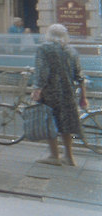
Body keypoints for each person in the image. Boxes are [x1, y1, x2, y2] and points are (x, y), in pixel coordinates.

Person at [31, 23, 87, 166]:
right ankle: (69, 156)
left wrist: (37, 90)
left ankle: (54, 155)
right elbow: (80, 75)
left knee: (50, 122)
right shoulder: (71, 51)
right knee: (66, 123)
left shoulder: (44, 49)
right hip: (68, 93)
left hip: (50, 93)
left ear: (48, 34)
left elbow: (42, 72)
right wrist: (83, 97)